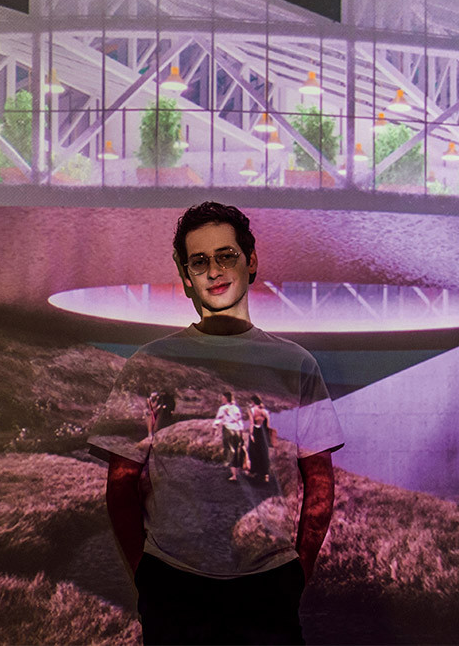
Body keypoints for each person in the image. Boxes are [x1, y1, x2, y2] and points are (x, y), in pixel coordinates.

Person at [88, 201, 343, 645]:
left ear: (251, 260)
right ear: (185, 274)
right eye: (199, 261)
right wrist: (146, 573)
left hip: (269, 584)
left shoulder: (297, 363)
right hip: (173, 584)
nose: (214, 271)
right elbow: (121, 482)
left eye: (226, 255)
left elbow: (319, 478)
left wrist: (298, 570)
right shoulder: (149, 362)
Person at [213, 391, 245, 481]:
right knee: (237, 449)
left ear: (226, 398)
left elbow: (218, 419)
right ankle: (237, 471)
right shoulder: (236, 408)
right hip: (237, 430)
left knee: (230, 450)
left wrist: (214, 428)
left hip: (228, 429)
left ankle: (234, 475)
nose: (221, 399)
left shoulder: (223, 408)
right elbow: (239, 420)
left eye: (223, 398)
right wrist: (241, 430)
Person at [247, 395, 272, 483]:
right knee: (264, 452)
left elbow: (251, 423)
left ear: (253, 402)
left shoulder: (252, 410)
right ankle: (265, 474)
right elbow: (268, 425)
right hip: (263, 432)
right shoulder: (265, 411)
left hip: (256, 431)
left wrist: (251, 434)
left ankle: (253, 471)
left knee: (253, 451)